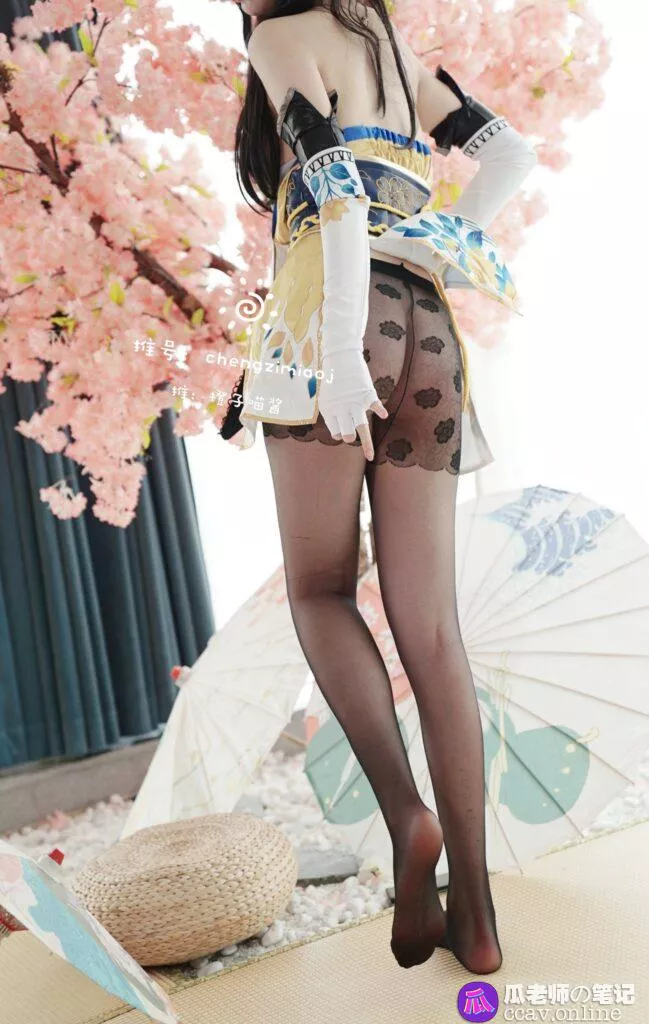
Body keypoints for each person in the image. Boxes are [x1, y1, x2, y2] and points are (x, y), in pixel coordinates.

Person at [222, 0, 537, 974]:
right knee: (432, 630)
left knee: (320, 589)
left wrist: (337, 357)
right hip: (427, 328)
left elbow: (335, 190)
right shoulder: (392, 51)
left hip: (331, 319)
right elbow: (510, 155)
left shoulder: (280, 36)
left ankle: (406, 818)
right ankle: (474, 918)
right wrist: (438, 242)